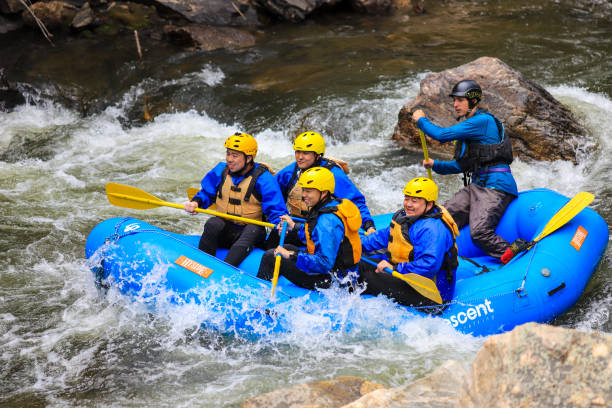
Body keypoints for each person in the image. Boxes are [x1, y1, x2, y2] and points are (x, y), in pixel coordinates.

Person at [412, 79, 519, 263]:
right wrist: (435, 164)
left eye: (460, 100)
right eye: (454, 100)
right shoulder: (471, 130)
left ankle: (516, 255)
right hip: (477, 187)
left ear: (474, 101)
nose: (455, 104)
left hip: (496, 187)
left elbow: (441, 135)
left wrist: (421, 120)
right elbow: (461, 167)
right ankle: (426, 257)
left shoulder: (482, 121)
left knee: (479, 232)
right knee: (440, 218)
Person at [184, 132, 287, 267]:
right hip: (226, 230)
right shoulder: (220, 170)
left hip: (251, 234)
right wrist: (196, 202)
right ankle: (201, 266)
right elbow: (207, 193)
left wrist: (280, 224)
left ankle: (225, 269)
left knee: (253, 229)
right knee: (213, 223)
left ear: (248, 158)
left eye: (235, 155)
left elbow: (275, 209)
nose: (229, 159)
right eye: (228, 154)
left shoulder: (263, 178)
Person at [358, 177, 459, 308]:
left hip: (431, 293)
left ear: (429, 204)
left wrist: (395, 268)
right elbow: (381, 237)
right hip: (409, 278)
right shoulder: (407, 218)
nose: (408, 204)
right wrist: (354, 246)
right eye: (407, 199)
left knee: (367, 278)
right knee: (360, 264)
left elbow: (429, 265)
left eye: (415, 201)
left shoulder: (432, 229)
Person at [257, 167, 363, 290]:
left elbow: (324, 263)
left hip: (334, 281)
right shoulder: (331, 205)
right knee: (287, 247)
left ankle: (261, 300)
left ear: (323, 192)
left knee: (271, 257)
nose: (303, 195)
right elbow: (316, 234)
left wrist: (291, 256)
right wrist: (295, 226)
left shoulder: (327, 221)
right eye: (303, 190)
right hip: (337, 272)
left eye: (308, 191)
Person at [268, 131, 375, 248]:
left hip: (323, 227)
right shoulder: (291, 171)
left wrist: (368, 225)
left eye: (305, 153)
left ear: (317, 155)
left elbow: (355, 202)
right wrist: (278, 221)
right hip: (297, 223)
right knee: (273, 238)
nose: (299, 157)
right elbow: (273, 195)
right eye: (297, 152)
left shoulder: (333, 174)